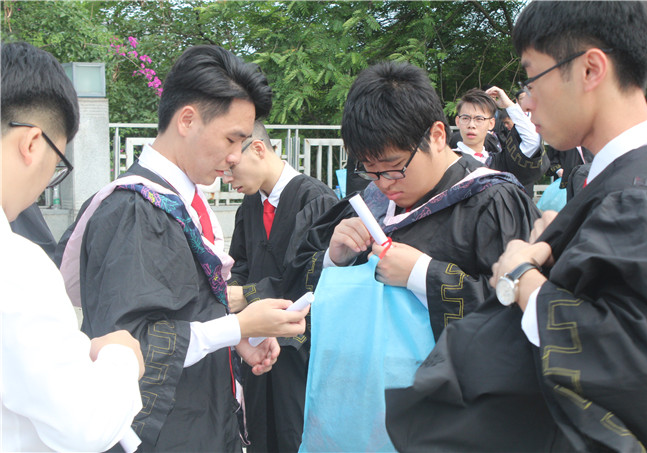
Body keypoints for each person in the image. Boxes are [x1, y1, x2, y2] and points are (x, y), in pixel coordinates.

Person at [386, 2, 647, 451]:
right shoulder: (638, 177)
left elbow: (643, 369)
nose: (526, 101)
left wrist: (522, 278)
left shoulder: (639, 197)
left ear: (590, 70)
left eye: (531, 78)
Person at [59, 45, 309, 452]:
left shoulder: (180, 202)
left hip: (203, 417)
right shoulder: (135, 210)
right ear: (187, 119)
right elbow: (129, 347)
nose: (234, 157)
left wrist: (235, 339)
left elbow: (181, 312)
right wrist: (237, 327)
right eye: (231, 139)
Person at [290, 61, 540, 342]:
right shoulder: (371, 202)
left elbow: (527, 311)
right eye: (369, 169)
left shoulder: (494, 201)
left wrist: (423, 275)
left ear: (437, 136)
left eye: (394, 166)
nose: (383, 183)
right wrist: (335, 259)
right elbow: (293, 285)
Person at [1, 41, 145, 452]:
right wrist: (121, 357)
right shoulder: (17, 264)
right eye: (57, 165)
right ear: (32, 143)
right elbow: (84, 424)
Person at [224, 120, 338, 453]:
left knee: (296, 433)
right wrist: (233, 290)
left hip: (300, 344)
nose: (227, 179)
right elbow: (240, 262)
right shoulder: (250, 205)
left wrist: (248, 296)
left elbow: (310, 274)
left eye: (231, 168)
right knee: (260, 431)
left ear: (258, 149)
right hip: (258, 343)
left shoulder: (315, 198)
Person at [450, 87, 549, 196]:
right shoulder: (448, 162)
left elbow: (533, 141)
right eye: (465, 118)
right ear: (457, 122)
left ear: (491, 123)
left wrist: (509, 105)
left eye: (479, 119)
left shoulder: (498, 163)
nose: (471, 125)